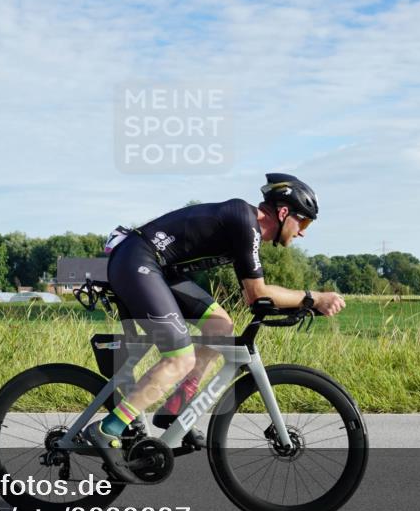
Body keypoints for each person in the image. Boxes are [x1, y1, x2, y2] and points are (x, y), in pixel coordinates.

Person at [85, 173, 346, 482]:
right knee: (179, 357)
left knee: (221, 327)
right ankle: (107, 429)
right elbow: (257, 294)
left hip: (160, 269)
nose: (302, 233)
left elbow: (255, 296)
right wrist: (312, 298)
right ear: (284, 213)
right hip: (138, 260)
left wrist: (303, 303)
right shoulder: (244, 221)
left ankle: (175, 409)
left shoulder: (246, 230)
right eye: (303, 224)